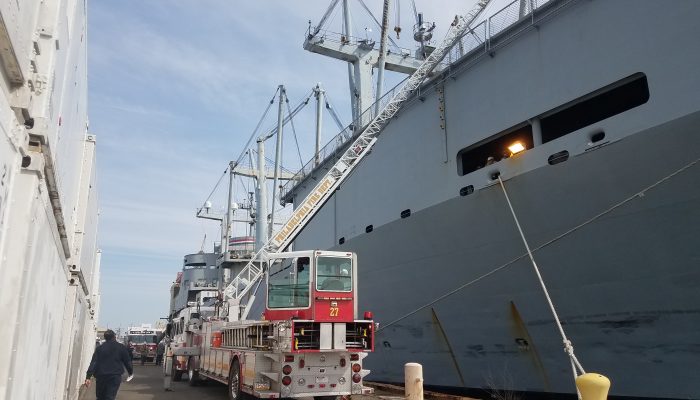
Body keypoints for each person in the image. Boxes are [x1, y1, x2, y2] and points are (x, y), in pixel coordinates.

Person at [84, 329, 133, 400]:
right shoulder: (121, 347)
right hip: (114, 376)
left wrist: (88, 377)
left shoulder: (99, 349)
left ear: (105, 338)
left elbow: (94, 363)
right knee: (110, 396)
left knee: (100, 397)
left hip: (101, 377)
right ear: (114, 337)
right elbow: (127, 362)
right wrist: (130, 372)